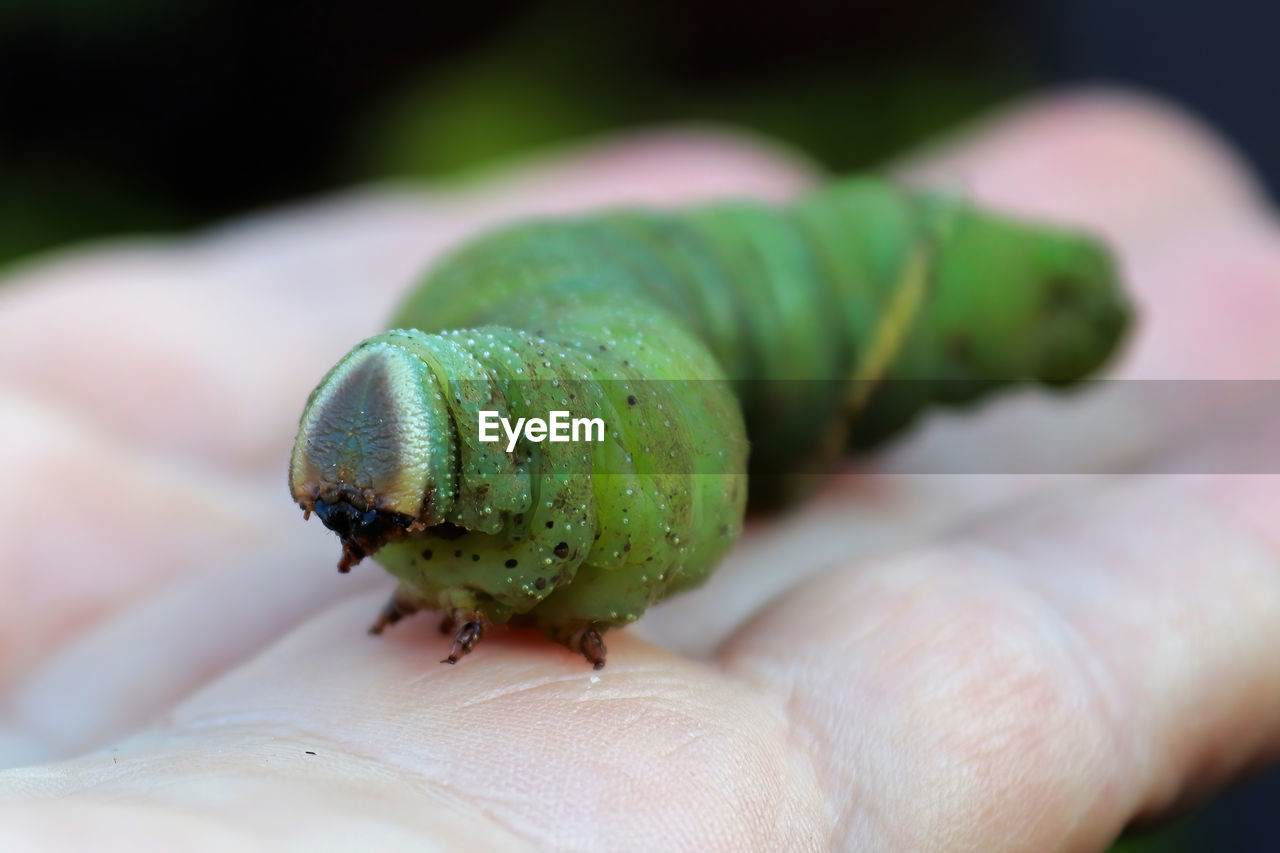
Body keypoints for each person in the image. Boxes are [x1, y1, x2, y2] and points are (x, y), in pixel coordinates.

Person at [0, 91, 1277, 850]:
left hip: (852, 305)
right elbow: (545, 434)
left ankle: (1040, 302)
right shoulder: (539, 409)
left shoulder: (560, 426)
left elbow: (554, 437)